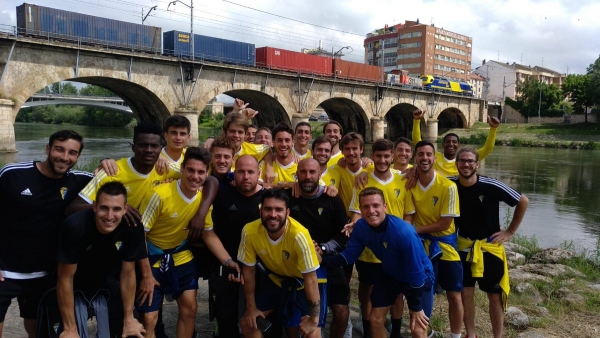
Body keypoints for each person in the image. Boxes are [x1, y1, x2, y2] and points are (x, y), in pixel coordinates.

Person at [67, 122, 183, 317]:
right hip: (109, 246)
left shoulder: (164, 167)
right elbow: (72, 209)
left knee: (143, 301)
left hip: (141, 244)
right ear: (133, 147)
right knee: (113, 305)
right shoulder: (112, 172)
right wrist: (116, 210)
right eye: (142, 145)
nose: (148, 150)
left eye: (154, 146)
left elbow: (202, 176)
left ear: (160, 148)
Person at [0, 130, 92, 338]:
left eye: (72, 153)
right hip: (5, 272)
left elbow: (113, 185)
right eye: (59, 149)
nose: (65, 157)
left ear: (78, 157)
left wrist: (106, 162)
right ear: (48, 149)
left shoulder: (78, 180)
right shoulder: (12, 173)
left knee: (38, 329)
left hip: (44, 275)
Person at [320, 187, 434, 338]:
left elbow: (416, 272)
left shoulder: (403, 232)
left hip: (419, 278)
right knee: (375, 319)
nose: (371, 211)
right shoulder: (361, 226)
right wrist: (323, 260)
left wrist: (416, 307)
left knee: (417, 327)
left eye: (376, 205)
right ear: (360, 209)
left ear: (385, 207)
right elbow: (349, 256)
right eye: (366, 207)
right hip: (391, 274)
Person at [449, 147, 529, 338]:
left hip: (489, 247)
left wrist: (510, 231)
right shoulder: (449, 184)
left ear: (477, 164)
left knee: (494, 296)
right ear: (456, 163)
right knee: (466, 293)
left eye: (470, 161)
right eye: (462, 161)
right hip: (463, 246)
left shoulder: (491, 185)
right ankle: (471, 334)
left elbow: (523, 200)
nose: (466, 164)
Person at [137, 147, 214, 338]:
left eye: (200, 172)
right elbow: (139, 237)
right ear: (182, 168)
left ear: (206, 173)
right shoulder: (159, 194)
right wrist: (146, 275)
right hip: (151, 256)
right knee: (149, 319)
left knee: (190, 309)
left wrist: (229, 262)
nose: (195, 176)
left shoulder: (203, 201)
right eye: (190, 170)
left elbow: (209, 235)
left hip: (180, 255)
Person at [56, 182, 147, 338]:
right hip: (76, 282)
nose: (110, 216)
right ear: (94, 206)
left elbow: (128, 273)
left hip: (109, 280)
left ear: (125, 209)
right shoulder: (74, 226)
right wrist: (70, 328)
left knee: (130, 330)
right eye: (104, 208)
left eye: (117, 209)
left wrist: (129, 318)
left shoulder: (132, 226)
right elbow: (65, 278)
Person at [348, 139, 415, 338]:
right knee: (367, 288)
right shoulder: (362, 180)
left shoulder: (403, 179)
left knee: (397, 293)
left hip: (396, 248)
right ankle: (367, 328)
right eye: (378, 156)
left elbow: (409, 213)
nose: (383, 160)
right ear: (372, 156)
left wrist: (406, 236)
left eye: (387, 156)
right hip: (370, 248)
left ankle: (395, 331)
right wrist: (355, 225)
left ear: (392, 156)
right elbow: (355, 212)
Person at [238, 189, 326, 338]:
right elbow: (248, 271)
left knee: (312, 332)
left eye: (279, 209)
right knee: (249, 324)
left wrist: (314, 320)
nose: (273, 214)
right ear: (261, 211)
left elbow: (310, 279)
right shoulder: (249, 231)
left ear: (288, 212)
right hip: (277, 278)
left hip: (305, 280)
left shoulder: (299, 234)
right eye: (267, 209)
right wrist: (251, 308)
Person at [202, 155, 265, 338]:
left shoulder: (269, 199)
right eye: (241, 172)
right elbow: (208, 232)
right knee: (226, 323)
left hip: (260, 270)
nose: (246, 176)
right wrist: (228, 261)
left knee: (257, 324)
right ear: (233, 173)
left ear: (258, 174)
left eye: (251, 172)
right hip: (226, 266)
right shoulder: (221, 196)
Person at [286, 159, 349, 338]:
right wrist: (284, 183)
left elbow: (343, 234)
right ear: (296, 174)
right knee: (292, 311)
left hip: (328, 258)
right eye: (303, 172)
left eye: (312, 172)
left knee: (342, 311)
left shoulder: (332, 199)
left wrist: (323, 248)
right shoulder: (288, 196)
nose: (307, 177)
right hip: (296, 261)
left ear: (319, 175)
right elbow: (261, 188)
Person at [409, 140, 462, 338]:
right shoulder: (410, 183)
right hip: (422, 246)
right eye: (420, 155)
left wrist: (413, 230)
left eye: (428, 155)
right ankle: (424, 330)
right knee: (423, 291)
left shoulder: (448, 186)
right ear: (415, 158)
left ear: (434, 157)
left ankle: (456, 335)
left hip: (445, 245)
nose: (424, 158)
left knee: (455, 296)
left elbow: (445, 224)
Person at [411, 110, 500, 177]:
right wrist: (416, 121)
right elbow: (418, 142)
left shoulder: (465, 160)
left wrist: (493, 128)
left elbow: (487, 148)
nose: (451, 144)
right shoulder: (435, 157)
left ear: (459, 145)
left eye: (454, 142)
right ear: (443, 144)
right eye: (448, 142)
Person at [260, 123, 298, 188]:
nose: (283, 144)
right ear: (273, 143)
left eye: (287, 140)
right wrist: (284, 184)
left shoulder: (301, 165)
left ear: (293, 143)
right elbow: (255, 184)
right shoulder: (265, 165)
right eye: (279, 140)